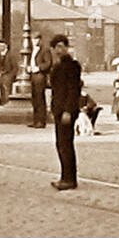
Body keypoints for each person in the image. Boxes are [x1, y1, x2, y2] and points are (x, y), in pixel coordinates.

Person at [48, 34, 81, 191]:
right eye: (58, 47)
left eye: (63, 46)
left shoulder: (72, 66)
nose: (60, 49)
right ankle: (65, 176)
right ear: (53, 49)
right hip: (59, 110)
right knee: (61, 144)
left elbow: (73, 90)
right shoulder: (58, 66)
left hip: (66, 111)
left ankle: (69, 179)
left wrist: (68, 110)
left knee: (65, 144)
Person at [28, 33, 52, 128]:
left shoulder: (45, 50)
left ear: (39, 40)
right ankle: (35, 120)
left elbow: (48, 63)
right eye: (33, 39)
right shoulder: (32, 50)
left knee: (40, 99)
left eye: (36, 39)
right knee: (34, 99)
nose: (34, 41)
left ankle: (41, 121)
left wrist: (38, 68)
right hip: (33, 77)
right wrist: (29, 68)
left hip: (40, 77)